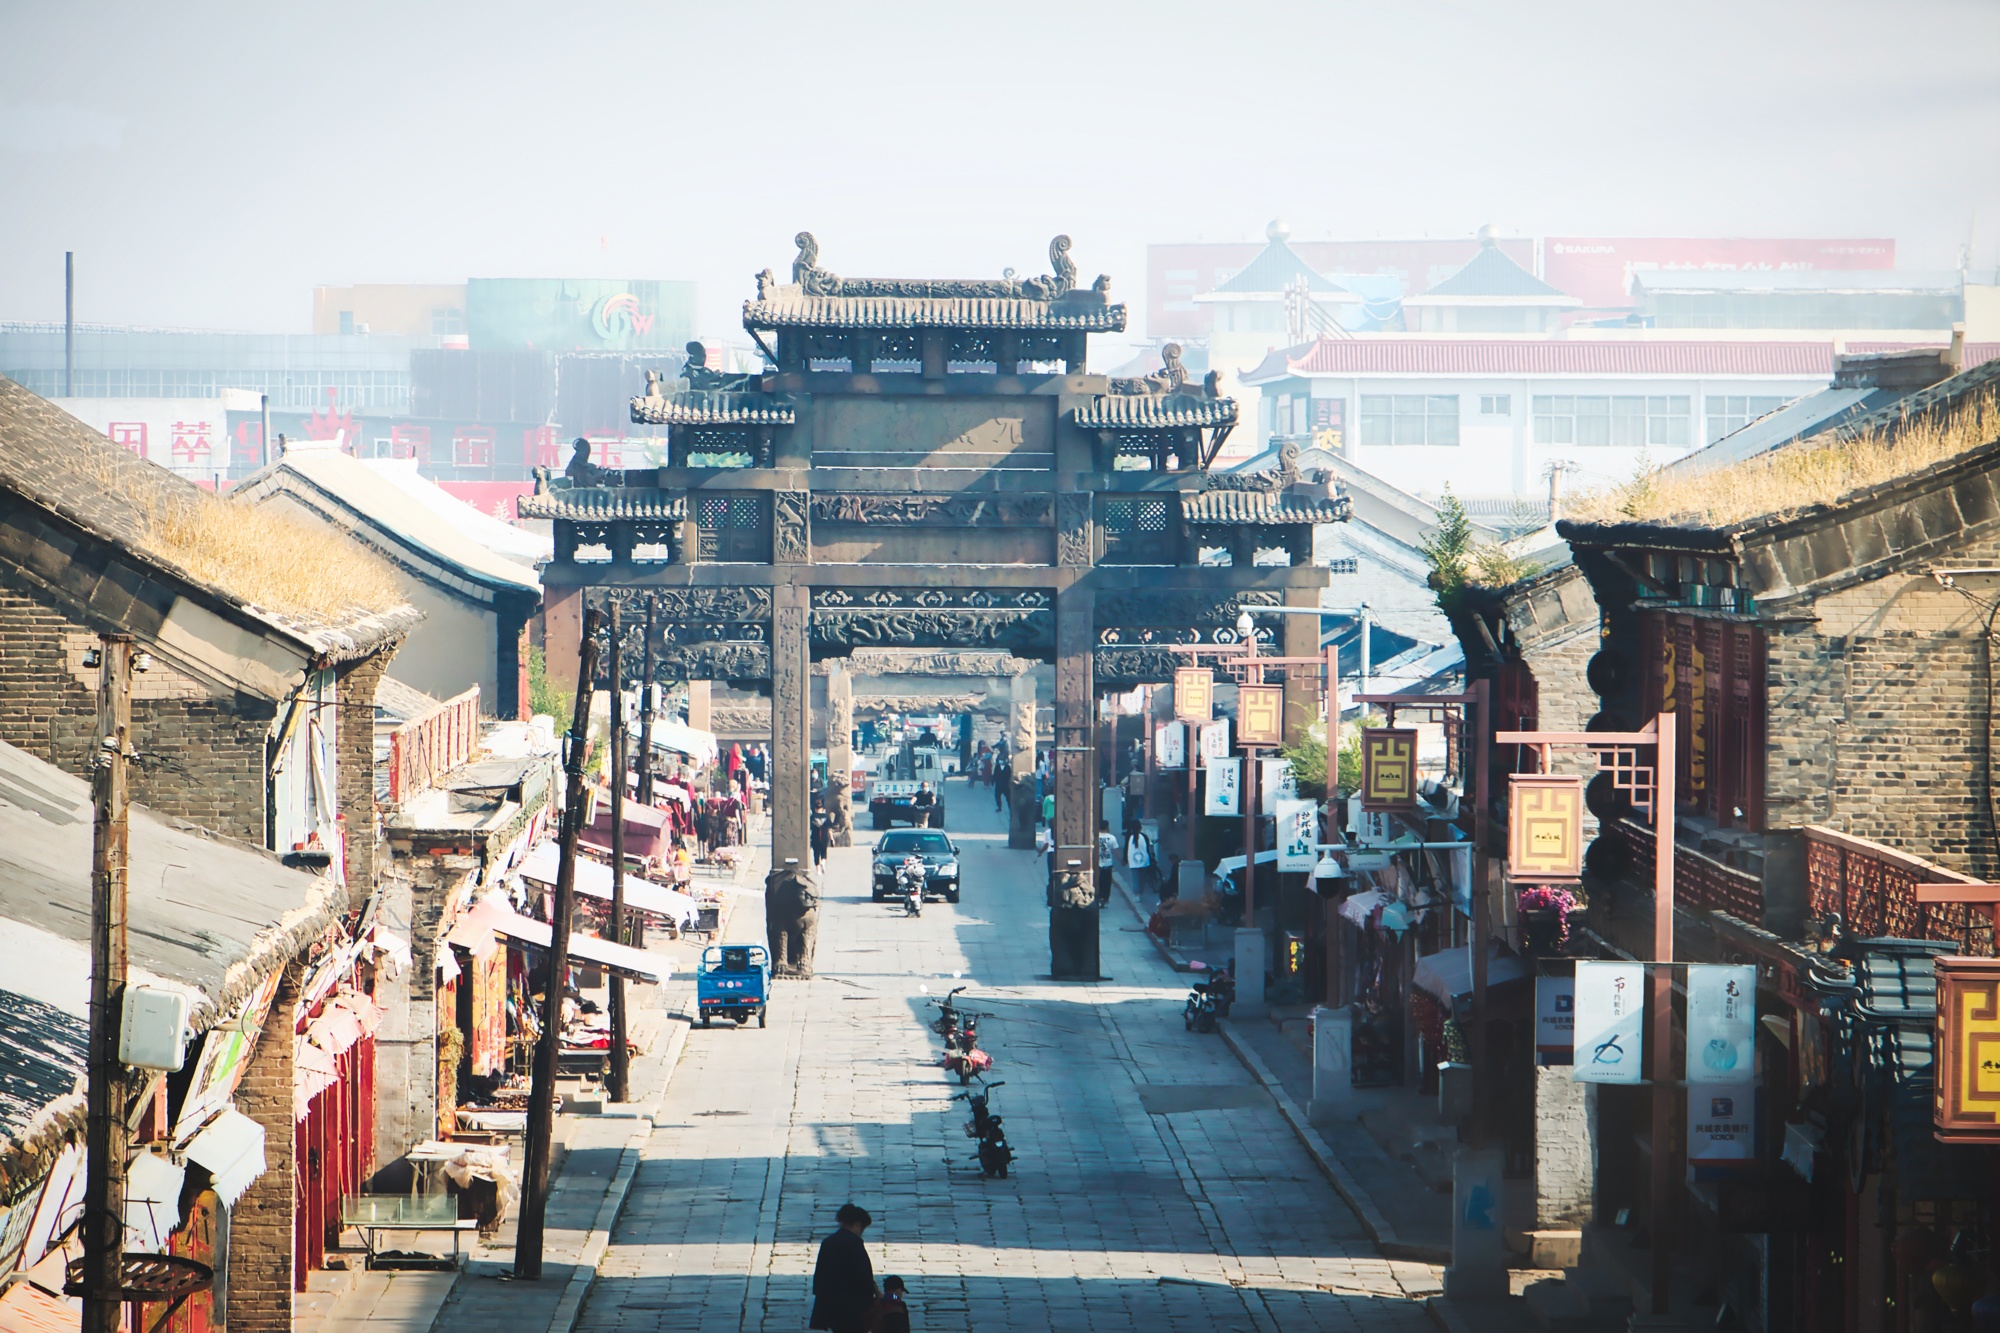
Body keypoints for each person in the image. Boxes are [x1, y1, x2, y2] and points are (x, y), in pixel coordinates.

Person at [810, 1203, 877, 1333]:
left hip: (833, 1307)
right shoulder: (855, 1244)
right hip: (854, 1308)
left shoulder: (828, 1242)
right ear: (857, 1225)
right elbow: (864, 1276)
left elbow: (820, 1277)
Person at [1126, 823, 1155, 897]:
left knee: (1135, 878)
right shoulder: (1144, 837)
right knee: (1142, 878)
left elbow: (1126, 849)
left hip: (1133, 860)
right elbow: (1149, 847)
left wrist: (1125, 859)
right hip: (1144, 860)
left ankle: (1136, 893)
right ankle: (1140, 892)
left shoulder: (1129, 837)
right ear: (1140, 828)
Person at [810, 795, 832, 868]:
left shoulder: (812, 817)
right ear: (823, 808)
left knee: (816, 853)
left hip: (814, 837)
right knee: (824, 852)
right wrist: (832, 839)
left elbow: (809, 829)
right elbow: (829, 829)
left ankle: (818, 869)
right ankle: (823, 861)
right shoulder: (826, 817)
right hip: (824, 838)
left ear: (815, 809)